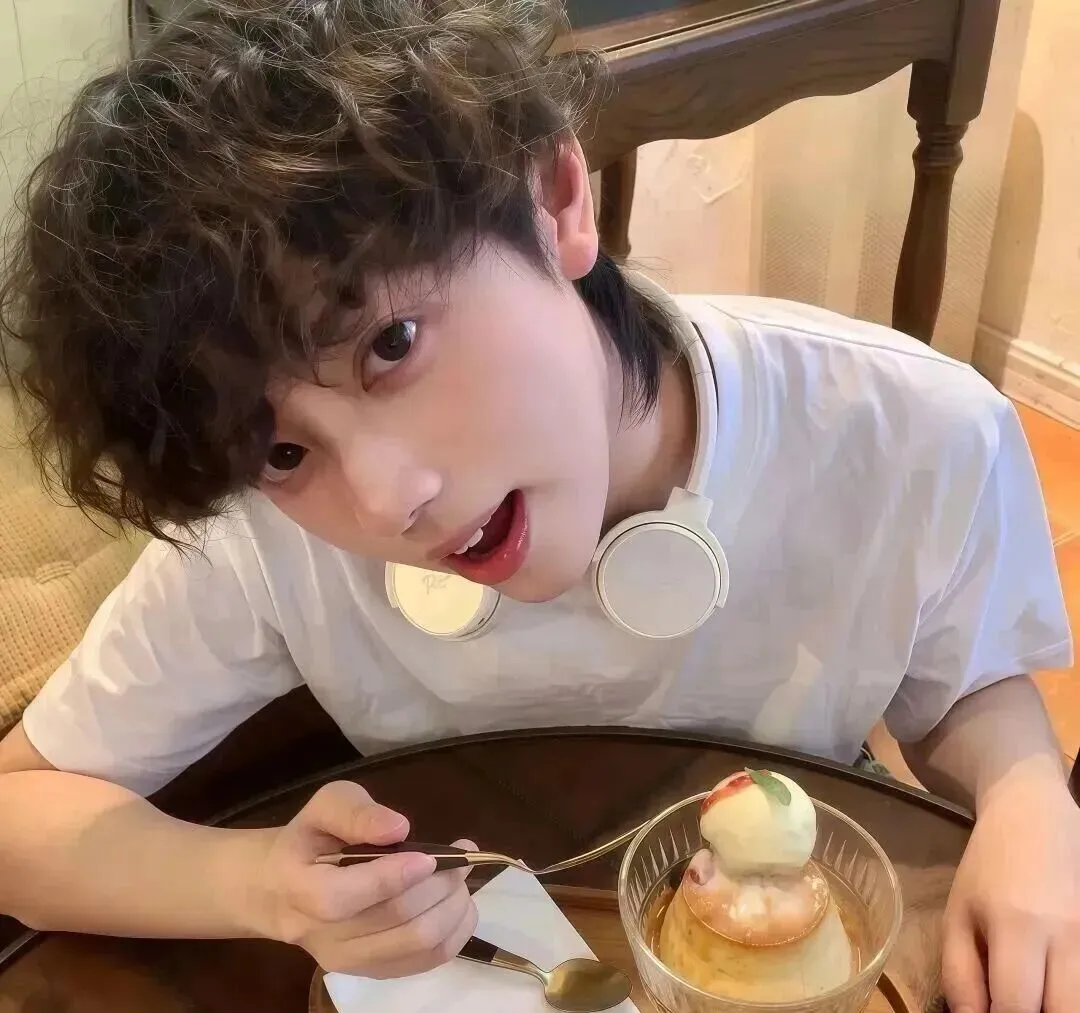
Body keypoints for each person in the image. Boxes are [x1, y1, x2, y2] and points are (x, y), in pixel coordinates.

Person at [0, 0, 1074, 1008]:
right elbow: (19, 812)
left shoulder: (909, 427)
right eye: (283, 449)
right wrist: (258, 886)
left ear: (557, 199)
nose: (390, 499)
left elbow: (966, 678)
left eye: (391, 343)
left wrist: (1026, 796)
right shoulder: (262, 540)